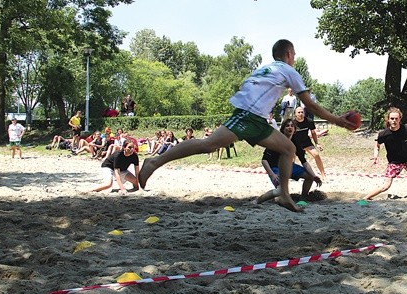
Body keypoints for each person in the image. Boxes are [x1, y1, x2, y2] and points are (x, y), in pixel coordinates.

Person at [138, 39, 355, 212]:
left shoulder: (266, 69)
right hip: (248, 116)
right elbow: (310, 105)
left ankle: (284, 196)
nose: (295, 58)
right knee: (208, 145)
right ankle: (155, 162)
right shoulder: (289, 71)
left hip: (255, 118)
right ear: (289, 54)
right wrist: (338, 121)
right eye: (294, 54)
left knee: (288, 149)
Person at [256, 119, 322, 204]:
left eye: (292, 126)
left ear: (294, 130)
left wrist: (314, 176)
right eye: (287, 126)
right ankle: (257, 201)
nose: (290, 128)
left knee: (309, 177)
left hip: (289, 166)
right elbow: (264, 160)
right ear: (283, 129)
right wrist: (272, 174)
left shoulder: (296, 142)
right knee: (279, 191)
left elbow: (304, 161)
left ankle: (302, 199)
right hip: (275, 168)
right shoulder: (277, 140)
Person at [292, 106, 326, 178]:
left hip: (306, 142)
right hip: (295, 143)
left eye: (302, 112)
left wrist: (317, 143)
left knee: (316, 155)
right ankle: (291, 174)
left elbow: (313, 133)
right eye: (299, 112)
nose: (300, 114)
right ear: (295, 114)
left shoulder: (309, 121)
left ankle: (323, 174)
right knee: (291, 159)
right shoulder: (292, 122)